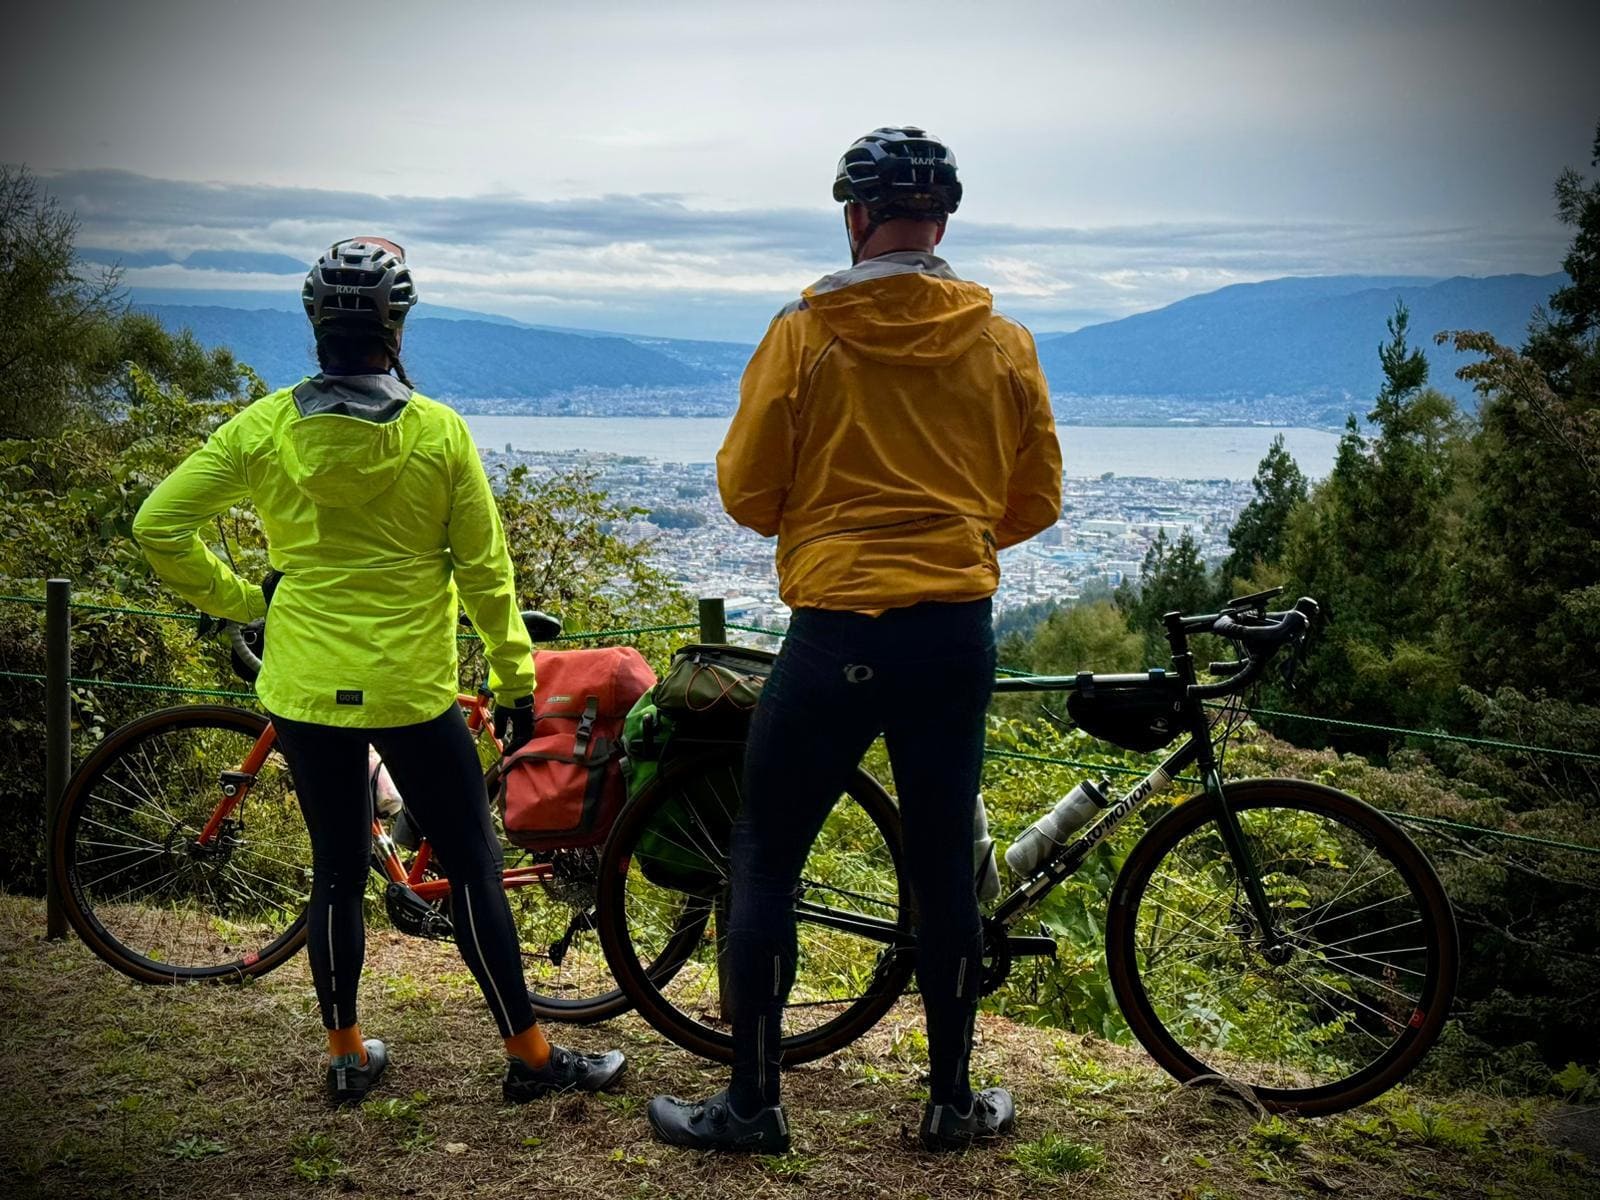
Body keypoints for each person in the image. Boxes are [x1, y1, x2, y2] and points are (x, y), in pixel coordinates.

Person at [133, 237, 626, 1106]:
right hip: (410, 688)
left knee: (334, 871)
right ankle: (533, 1056)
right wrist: (513, 684)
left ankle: (346, 1053)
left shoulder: (265, 427)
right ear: (396, 324)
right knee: (474, 865)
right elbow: (486, 577)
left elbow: (158, 525)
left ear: (314, 325)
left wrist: (247, 599)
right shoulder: (438, 434)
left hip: (305, 685)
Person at [647, 127, 1062, 1153]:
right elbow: (1035, 498)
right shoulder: (1003, 341)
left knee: (765, 859)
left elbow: (746, 492)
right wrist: (948, 535)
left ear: (854, 219)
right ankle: (949, 1102)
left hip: (834, 630)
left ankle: (752, 1105)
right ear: (943, 223)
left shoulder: (804, 333)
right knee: (941, 870)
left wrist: (831, 528)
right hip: (951, 633)